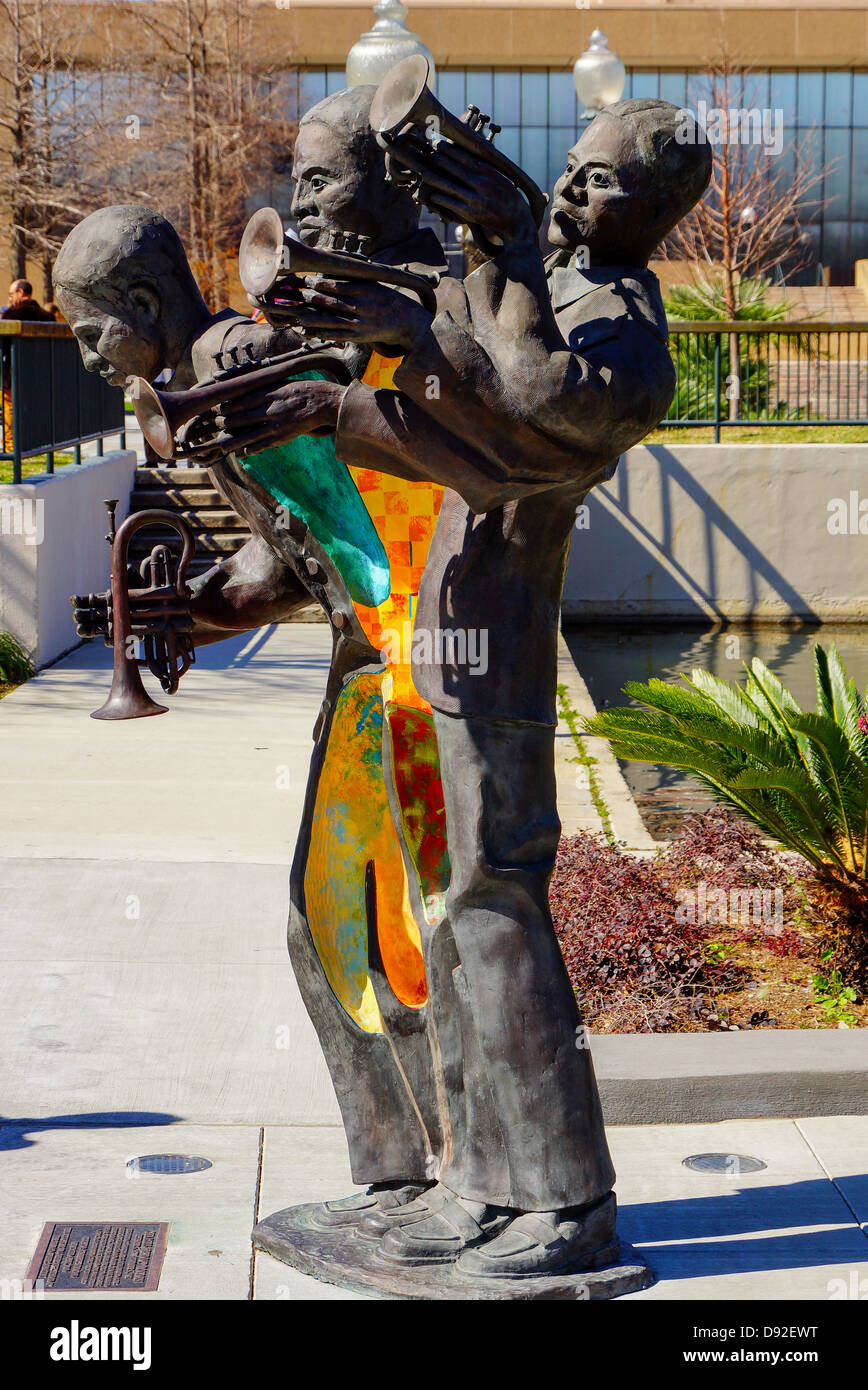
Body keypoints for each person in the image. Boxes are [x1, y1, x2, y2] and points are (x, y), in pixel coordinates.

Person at [210, 97, 712, 1276]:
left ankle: (560, 1205)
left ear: (657, 215)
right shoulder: (543, 282)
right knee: (438, 913)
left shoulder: (624, 333)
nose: (580, 196)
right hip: (438, 639)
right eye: (573, 175)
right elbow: (441, 409)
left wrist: (502, 257)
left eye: (604, 188)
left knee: (494, 907)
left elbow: (523, 419)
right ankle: (475, 1183)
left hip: (496, 652)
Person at [55, 87, 467, 1225]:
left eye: (93, 329)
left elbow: (361, 520)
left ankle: (449, 1174)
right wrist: (180, 613)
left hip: (404, 666)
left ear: (142, 304)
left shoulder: (233, 365)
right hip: (377, 657)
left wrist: (202, 602)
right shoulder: (203, 382)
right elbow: (293, 555)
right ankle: (407, 1171)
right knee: (352, 922)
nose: (89, 356)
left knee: (372, 923)